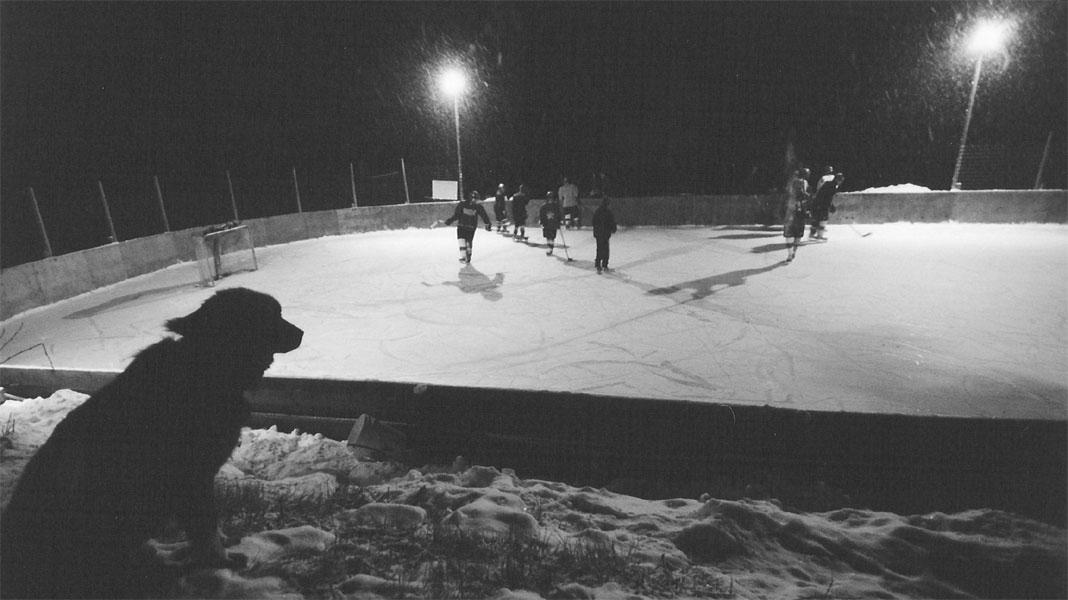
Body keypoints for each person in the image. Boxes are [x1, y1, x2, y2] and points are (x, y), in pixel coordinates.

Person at [444, 190, 491, 263]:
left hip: (463, 226)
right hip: (469, 226)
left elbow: (457, 215)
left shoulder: (464, 204)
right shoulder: (476, 206)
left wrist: (450, 220)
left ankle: (465, 256)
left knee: (463, 240)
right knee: (466, 240)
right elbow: (484, 215)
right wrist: (488, 224)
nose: (475, 201)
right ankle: (467, 254)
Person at [783, 168, 810, 263]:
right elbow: (805, 196)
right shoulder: (804, 183)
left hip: (793, 212)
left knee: (791, 234)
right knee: (796, 234)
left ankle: (791, 252)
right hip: (797, 212)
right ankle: (792, 252)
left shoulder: (792, 183)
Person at [809, 172, 844, 241]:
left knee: (817, 219)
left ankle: (812, 234)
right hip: (823, 205)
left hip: (819, 204)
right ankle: (819, 235)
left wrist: (831, 205)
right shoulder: (832, 186)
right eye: (841, 180)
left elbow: (822, 195)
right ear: (837, 180)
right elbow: (827, 198)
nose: (841, 182)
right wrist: (831, 206)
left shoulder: (828, 184)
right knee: (823, 220)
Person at [592, 197, 617, 274]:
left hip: (598, 233)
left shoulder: (598, 211)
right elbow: (612, 222)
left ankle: (598, 264)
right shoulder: (608, 212)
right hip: (605, 233)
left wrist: (595, 231)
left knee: (599, 248)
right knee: (605, 249)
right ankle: (604, 265)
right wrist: (613, 229)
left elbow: (594, 222)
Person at [539, 190, 562, 256]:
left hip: (553, 224)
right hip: (546, 224)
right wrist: (542, 222)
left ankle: (550, 247)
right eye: (549, 198)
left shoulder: (555, 206)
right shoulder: (544, 206)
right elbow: (542, 215)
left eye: (551, 198)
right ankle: (550, 247)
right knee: (548, 236)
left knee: (552, 236)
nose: (550, 199)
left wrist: (559, 222)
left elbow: (558, 214)